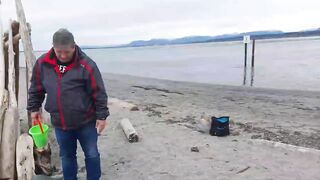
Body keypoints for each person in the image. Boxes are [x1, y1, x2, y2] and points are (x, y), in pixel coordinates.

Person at [27, 28, 109, 180]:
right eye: (59, 52)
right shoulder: (42, 64)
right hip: (60, 123)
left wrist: (102, 116)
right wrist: (34, 108)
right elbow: (36, 88)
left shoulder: (87, 65)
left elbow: (99, 92)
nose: (63, 55)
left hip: (86, 122)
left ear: (74, 46)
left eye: (67, 52)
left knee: (92, 154)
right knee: (67, 156)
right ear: (53, 47)